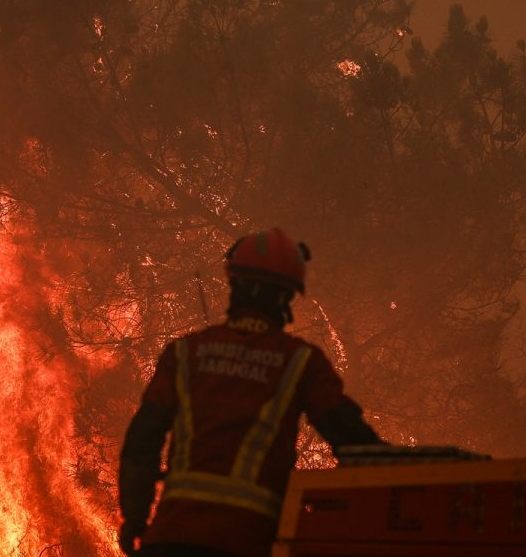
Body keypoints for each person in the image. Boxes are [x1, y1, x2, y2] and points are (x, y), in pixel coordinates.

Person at [118, 227, 383, 557]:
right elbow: (354, 441)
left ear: (234, 283)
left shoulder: (186, 353)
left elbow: (142, 442)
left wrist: (135, 518)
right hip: (249, 544)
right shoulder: (300, 363)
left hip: (172, 538)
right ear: (287, 297)